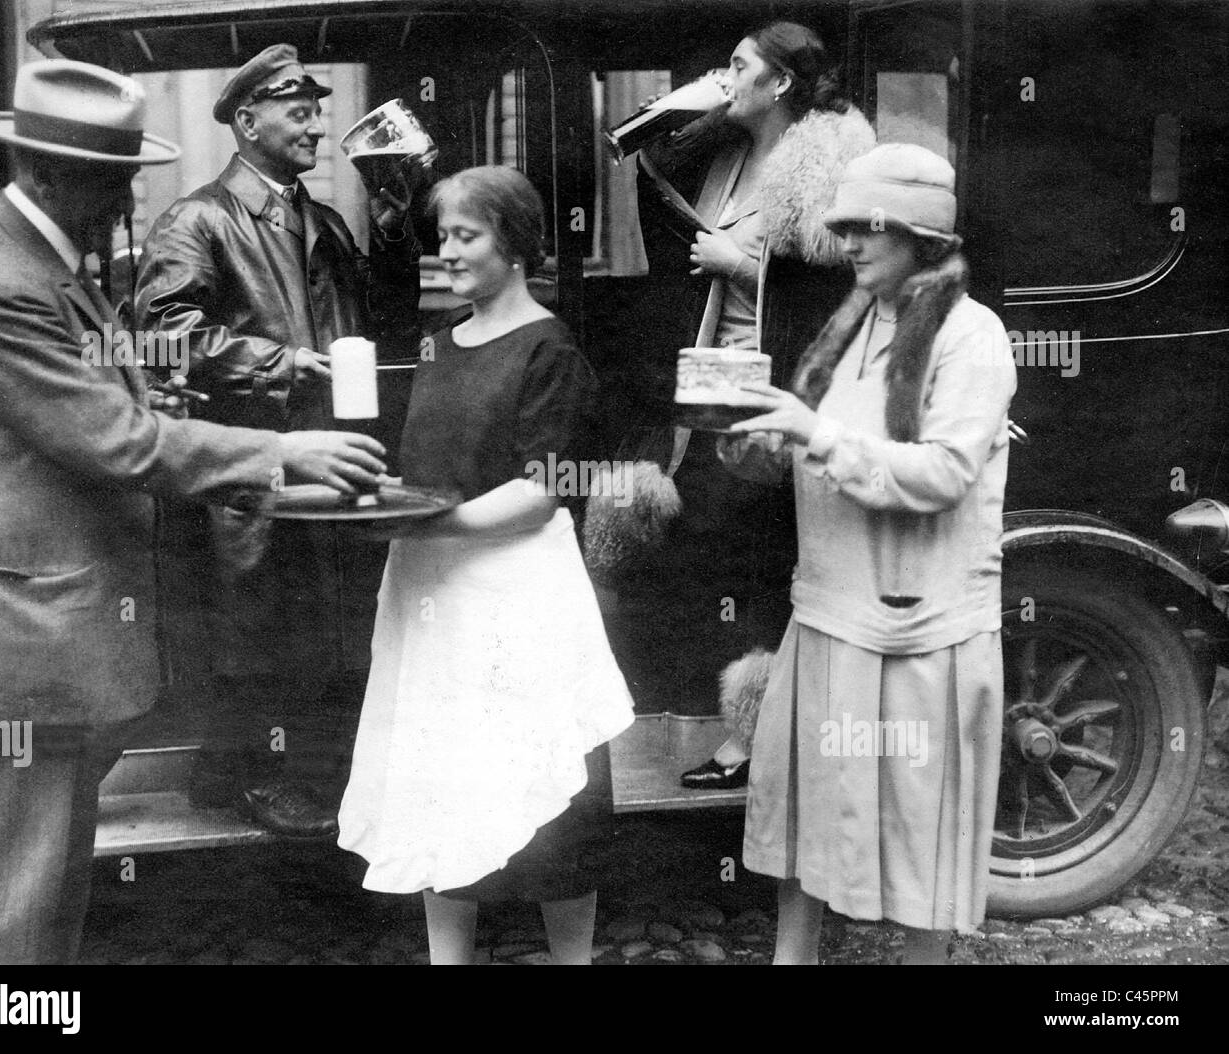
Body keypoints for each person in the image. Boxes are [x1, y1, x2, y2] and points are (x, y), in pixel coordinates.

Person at [0, 59, 390, 964]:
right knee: (1, 903)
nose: (128, 191)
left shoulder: (40, 263)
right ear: (43, 172)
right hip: (25, 644)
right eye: (112, 173)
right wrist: (279, 452)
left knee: (43, 892)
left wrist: (254, 469)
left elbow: (119, 418)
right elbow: (114, 441)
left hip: (50, 635)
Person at [720, 143, 1016, 963]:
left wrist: (814, 432)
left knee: (915, 825)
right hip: (827, 612)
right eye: (843, 225)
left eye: (869, 227)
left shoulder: (971, 335)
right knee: (806, 821)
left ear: (921, 235)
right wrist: (759, 440)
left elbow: (943, 475)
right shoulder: (851, 323)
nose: (848, 242)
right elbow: (828, 443)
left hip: (915, 631)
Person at [336, 166, 634, 965]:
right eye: (443, 238)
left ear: (514, 246)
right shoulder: (438, 344)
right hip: (432, 594)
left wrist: (431, 523)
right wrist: (384, 507)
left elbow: (541, 496)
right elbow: (426, 467)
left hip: (516, 596)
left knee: (546, 787)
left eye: (466, 236)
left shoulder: (550, 350)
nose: (449, 254)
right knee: (440, 777)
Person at [134, 44, 423, 837]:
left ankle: (279, 779)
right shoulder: (197, 219)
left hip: (326, 456)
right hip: (251, 459)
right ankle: (243, 778)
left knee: (319, 626)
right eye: (297, 111)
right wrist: (280, 361)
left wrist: (395, 219)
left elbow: (386, 315)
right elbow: (165, 333)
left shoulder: (324, 220)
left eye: (316, 109)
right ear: (246, 120)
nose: (316, 125)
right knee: (255, 626)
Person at [593, 21, 874, 789]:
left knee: (748, 561)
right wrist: (673, 117)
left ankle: (754, 739)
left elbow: (836, 295)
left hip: (775, 393)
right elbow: (649, 182)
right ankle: (683, 720)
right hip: (710, 382)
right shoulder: (727, 150)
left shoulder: (825, 166)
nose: (726, 74)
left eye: (738, 66)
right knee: (684, 544)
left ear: (779, 83)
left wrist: (742, 265)